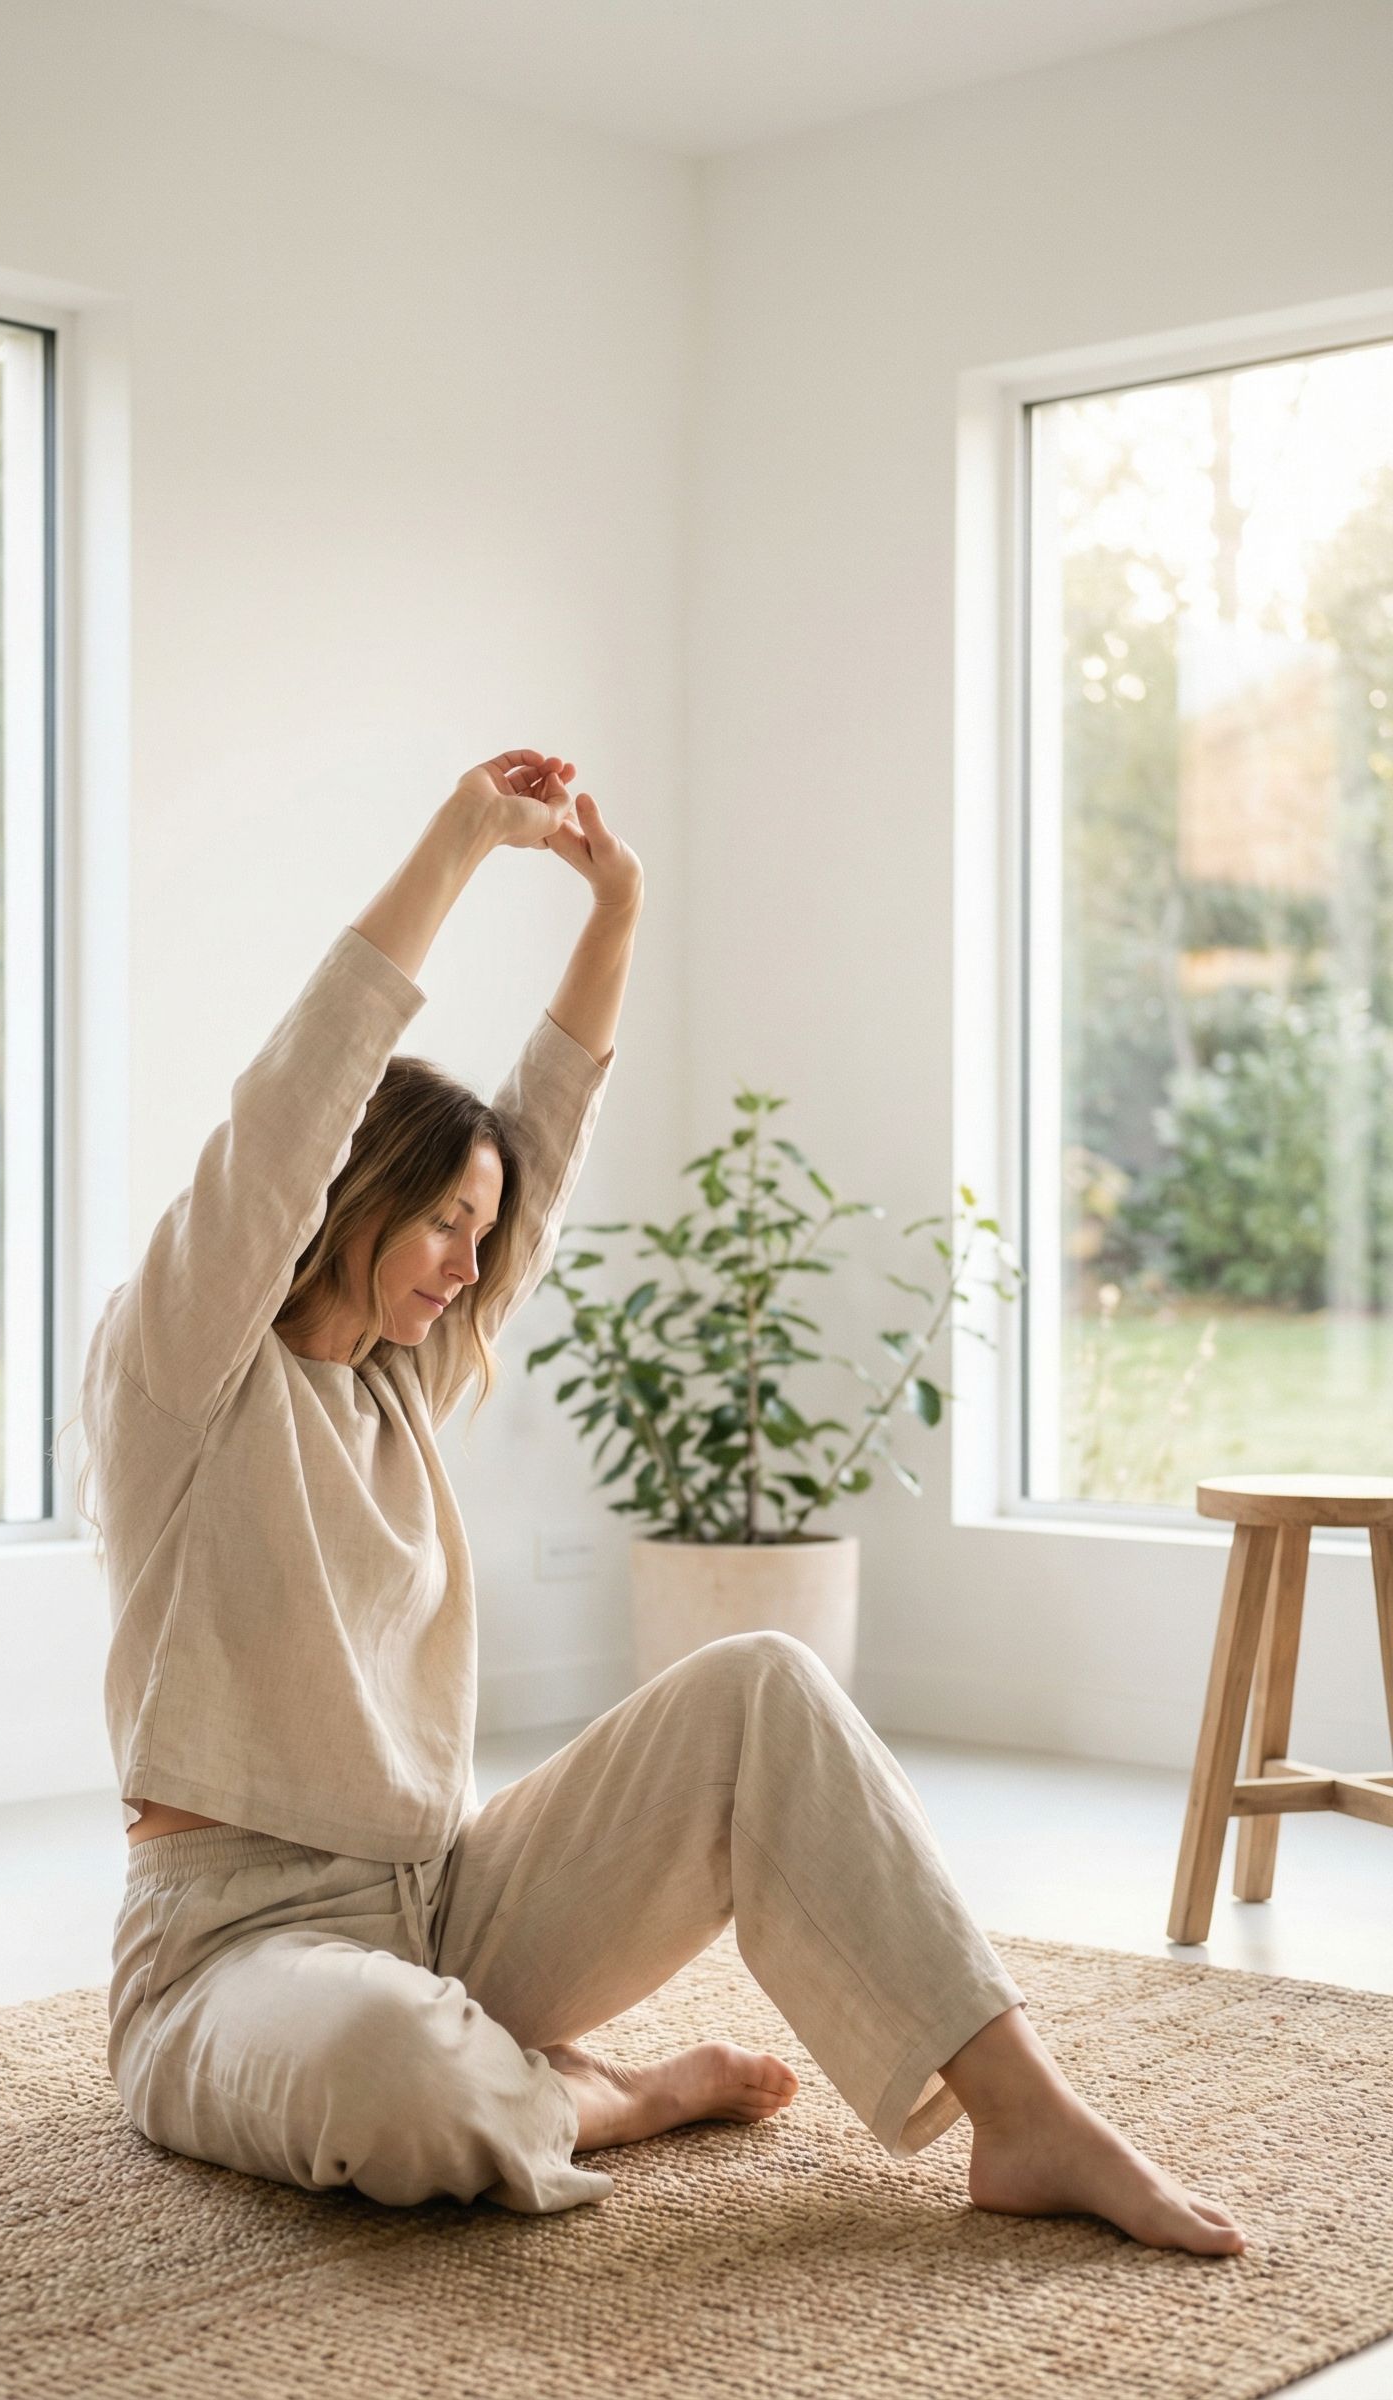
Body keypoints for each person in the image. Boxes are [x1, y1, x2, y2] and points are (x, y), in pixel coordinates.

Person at [69, 748, 1246, 2252]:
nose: (470, 1266)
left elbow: (545, 1136)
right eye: (443, 1222)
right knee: (394, 2065)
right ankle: (603, 2099)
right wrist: (462, 839)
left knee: (763, 1685)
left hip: (440, 1904)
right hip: (231, 1951)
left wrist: (615, 910)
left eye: (482, 1235)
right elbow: (295, 1103)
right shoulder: (180, 1364)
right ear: (350, 1197)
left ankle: (1029, 2117)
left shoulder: (396, 1384)